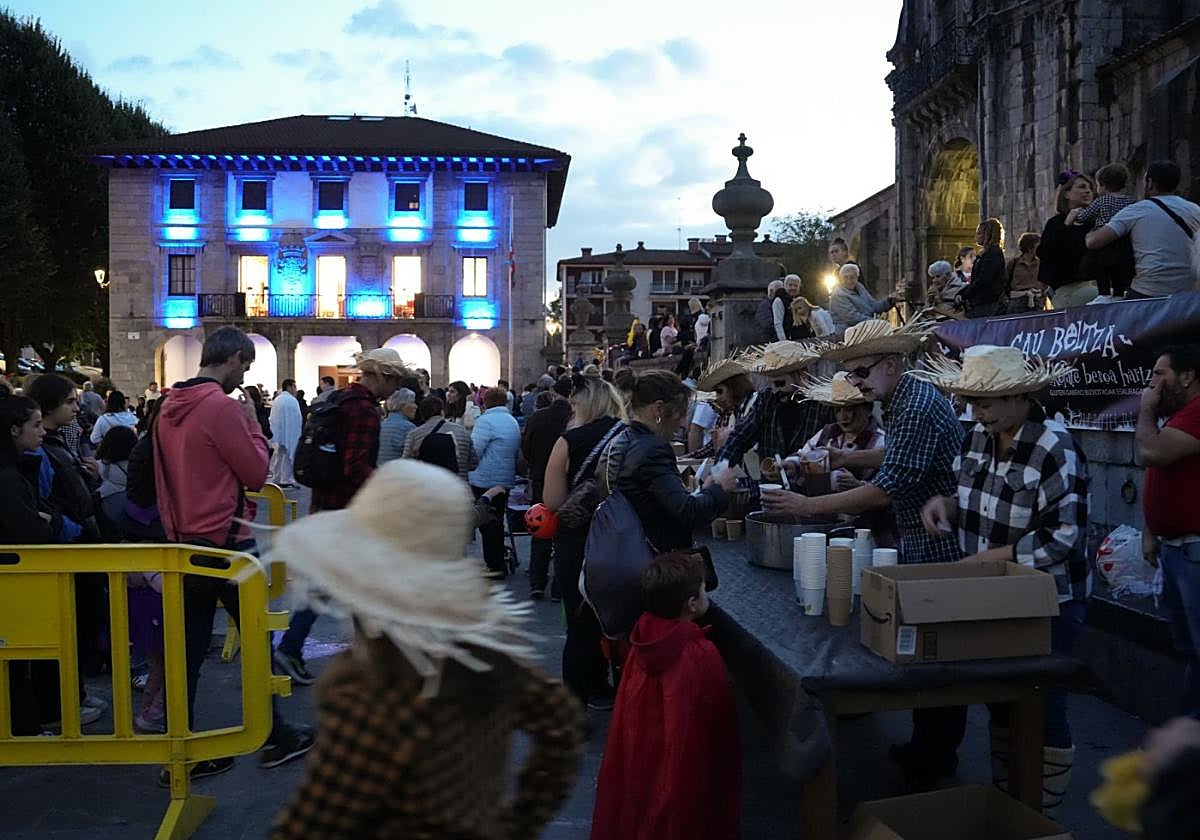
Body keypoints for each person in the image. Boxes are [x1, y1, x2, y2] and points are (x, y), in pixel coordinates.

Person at [268, 460, 584, 840]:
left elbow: (310, 825)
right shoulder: (480, 647)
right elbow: (561, 723)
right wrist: (519, 821)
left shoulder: (370, 693)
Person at [917, 345, 1090, 802]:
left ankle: (1039, 814)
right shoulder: (974, 435)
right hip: (990, 596)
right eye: (974, 402)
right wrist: (944, 506)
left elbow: (1063, 537)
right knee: (1000, 701)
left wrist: (989, 560)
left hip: (1050, 600)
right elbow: (968, 499)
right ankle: (1007, 801)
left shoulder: (1055, 446)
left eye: (988, 401)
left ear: (1021, 396)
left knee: (1041, 704)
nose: (979, 412)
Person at [154, 327, 313, 776]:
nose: (243, 374)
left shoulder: (167, 406)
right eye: (244, 365)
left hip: (184, 538)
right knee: (258, 635)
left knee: (187, 646)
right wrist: (251, 423)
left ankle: (179, 750)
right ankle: (274, 735)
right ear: (231, 359)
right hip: (229, 538)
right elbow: (255, 472)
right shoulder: (220, 408)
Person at [761, 321, 961, 564]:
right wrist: (847, 458)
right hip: (922, 530)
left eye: (861, 372)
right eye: (850, 374)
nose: (854, 382)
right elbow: (903, 454)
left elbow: (886, 490)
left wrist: (805, 506)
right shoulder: (904, 399)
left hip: (938, 537)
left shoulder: (914, 408)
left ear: (890, 365)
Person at [279, 349, 411, 685]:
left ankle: (298, 647)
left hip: (324, 505)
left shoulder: (338, 400)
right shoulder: (364, 411)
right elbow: (355, 467)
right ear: (380, 375)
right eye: (393, 378)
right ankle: (368, 659)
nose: (395, 387)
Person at [590, 552, 740, 840]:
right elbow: (716, 722)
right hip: (684, 762)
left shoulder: (643, 637)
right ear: (692, 604)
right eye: (702, 589)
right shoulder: (698, 653)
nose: (706, 593)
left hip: (643, 748)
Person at [605, 371, 735, 552]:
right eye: (681, 413)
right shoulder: (653, 450)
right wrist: (719, 489)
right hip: (652, 556)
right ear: (659, 410)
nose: (682, 423)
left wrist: (705, 491)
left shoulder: (621, 439)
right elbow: (687, 513)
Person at [1137, 344, 1200, 717]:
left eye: (1161, 374)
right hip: (1177, 550)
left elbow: (1153, 453)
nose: (1152, 383)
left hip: (1194, 552)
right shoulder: (1181, 416)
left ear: (1188, 376)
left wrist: (1145, 410)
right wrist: (1150, 528)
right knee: (1190, 649)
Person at [790, 372, 896, 547]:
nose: (843, 416)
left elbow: (889, 493)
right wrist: (791, 465)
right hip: (826, 528)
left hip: (870, 536)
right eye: (838, 409)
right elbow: (803, 454)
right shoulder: (827, 433)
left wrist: (858, 486)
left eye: (850, 409)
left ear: (867, 409)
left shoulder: (882, 442)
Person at [715, 343, 832, 484]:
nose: (775, 391)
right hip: (771, 491)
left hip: (810, 493)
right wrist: (718, 472)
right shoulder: (767, 399)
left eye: (780, 383)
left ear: (802, 377)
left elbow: (827, 451)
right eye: (771, 384)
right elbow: (741, 436)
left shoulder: (822, 404)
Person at [1087, 160, 1200, 299]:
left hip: (1149, 291)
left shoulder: (1137, 210)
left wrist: (1090, 232)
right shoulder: (1195, 210)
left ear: (1150, 183)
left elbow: (1094, 242)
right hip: (1190, 293)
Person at [521, 376, 573, 599]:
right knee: (564, 534)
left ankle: (537, 582)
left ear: (554, 393)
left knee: (540, 528)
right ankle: (559, 587)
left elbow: (526, 448)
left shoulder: (539, 417)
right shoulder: (575, 420)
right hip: (568, 481)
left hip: (541, 477)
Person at [469, 387, 521, 579]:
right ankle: (497, 560)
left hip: (485, 477)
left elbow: (476, 450)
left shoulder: (485, 421)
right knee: (497, 520)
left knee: (486, 521)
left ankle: (494, 564)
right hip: (505, 477)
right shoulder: (511, 420)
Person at [1071, 162, 1135, 302]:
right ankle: (1118, 294)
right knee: (1118, 271)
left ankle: (1104, 294)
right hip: (1123, 243)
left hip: (1103, 241)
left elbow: (1084, 216)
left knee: (1101, 270)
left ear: (1103, 186)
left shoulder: (1102, 201)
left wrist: (1076, 214)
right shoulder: (1130, 202)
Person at [1037, 170, 1099, 307]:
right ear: (1066, 194)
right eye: (1082, 187)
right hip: (1068, 289)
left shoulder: (1094, 222)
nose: (1088, 191)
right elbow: (1045, 252)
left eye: (1090, 188)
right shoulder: (1056, 223)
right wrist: (1066, 226)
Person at [402, 395, 477, 483]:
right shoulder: (462, 431)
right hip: (460, 487)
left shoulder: (414, 435)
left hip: (429, 487)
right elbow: (473, 463)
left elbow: (406, 465)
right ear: (442, 412)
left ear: (422, 415)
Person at [958, 218, 1007, 318]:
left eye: (979, 233)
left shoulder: (993, 253)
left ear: (987, 234)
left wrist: (966, 294)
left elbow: (983, 279)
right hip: (981, 301)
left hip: (988, 302)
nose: (976, 236)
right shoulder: (986, 253)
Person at [829, 263, 894, 334]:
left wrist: (890, 300)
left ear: (857, 277)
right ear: (840, 279)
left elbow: (873, 305)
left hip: (866, 328)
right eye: (845, 277)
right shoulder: (838, 294)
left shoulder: (859, 287)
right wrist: (876, 322)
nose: (849, 281)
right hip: (848, 332)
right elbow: (853, 318)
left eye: (852, 277)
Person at [269, 378, 303, 485]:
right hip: (289, 432)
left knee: (279, 455)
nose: (295, 389)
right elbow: (295, 419)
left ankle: (277, 477)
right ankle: (286, 478)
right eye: (294, 386)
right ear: (289, 386)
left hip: (278, 433)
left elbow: (273, 418)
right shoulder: (291, 400)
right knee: (288, 456)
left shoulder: (277, 400)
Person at [1006, 233, 1045, 313]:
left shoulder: (1041, 264)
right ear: (1030, 248)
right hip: (1017, 303)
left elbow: (1045, 284)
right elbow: (1006, 283)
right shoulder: (1014, 263)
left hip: (1036, 302)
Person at [377, 387, 417, 465]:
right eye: (412, 402)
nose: (416, 406)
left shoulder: (381, 425)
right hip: (398, 473)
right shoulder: (409, 428)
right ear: (402, 405)